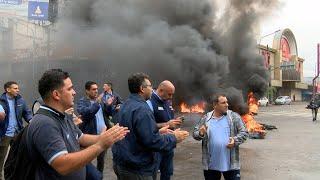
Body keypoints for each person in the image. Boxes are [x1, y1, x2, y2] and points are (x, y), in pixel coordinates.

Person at [26, 69, 129, 179]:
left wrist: (103, 137)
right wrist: (100, 145)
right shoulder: (45, 123)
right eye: (70, 89)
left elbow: (80, 137)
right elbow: (62, 165)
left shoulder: (62, 116)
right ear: (56, 94)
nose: (74, 92)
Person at [112, 72, 189, 180]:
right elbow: (153, 141)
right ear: (142, 89)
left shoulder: (126, 104)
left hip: (122, 163)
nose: (152, 89)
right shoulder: (142, 109)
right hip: (137, 168)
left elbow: (134, 131)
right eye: (150, 86)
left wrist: (158, 131)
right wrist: (174, 137)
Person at [193, 94, 248, 180]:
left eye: (227, 102)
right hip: (211, 166)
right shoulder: (206, 118)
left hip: (231, 165)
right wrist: (201, 133)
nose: (227, 104)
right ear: (215, 105)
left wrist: (235, 140)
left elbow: (244, 132)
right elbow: (195, 133)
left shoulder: (233, 116)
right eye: (223, 103)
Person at [146, 80, 182, 180]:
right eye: (169, 94)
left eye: (172, 94)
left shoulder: (167, 101)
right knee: (152, 173)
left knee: (167, 172)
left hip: (169, 144)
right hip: (157, 145)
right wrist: (166, 124)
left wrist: (174, 122)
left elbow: (169, 119)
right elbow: (147, 125)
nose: (171, 97)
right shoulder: (149, 102)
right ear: (161, 90)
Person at [77, 81, 114, 173]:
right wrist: (97, 103)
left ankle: (99, 176)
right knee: (86, 161)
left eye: (97, 89)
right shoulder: (82, 102)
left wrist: (109, 106)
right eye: (93, 89)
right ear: (87, 91)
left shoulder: (99, 101)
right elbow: (86, 113)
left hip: (103, 135)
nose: (96, 91)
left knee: (101, 161)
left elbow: (107, 114)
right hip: (90, 137)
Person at [0, 81, 33, 180]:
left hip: (17, 133)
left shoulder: (20, 100)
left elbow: (27, 113)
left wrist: (31, 120)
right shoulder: (1, 102)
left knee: (18, 157)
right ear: (8, 89)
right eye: (15, 88)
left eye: (18, 88)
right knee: (1, 158)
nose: (18, 90)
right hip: (5, 134)